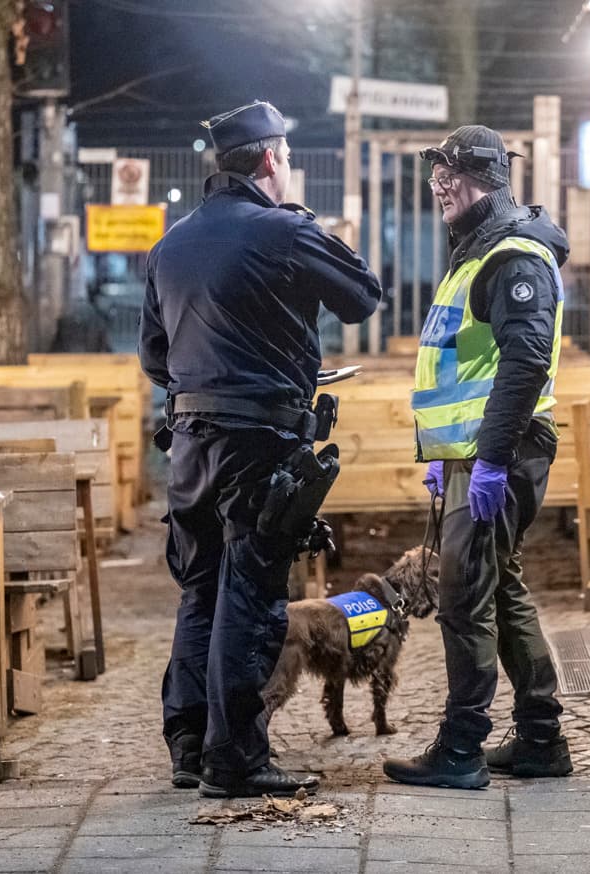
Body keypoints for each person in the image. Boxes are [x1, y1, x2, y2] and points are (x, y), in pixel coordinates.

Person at [140, 100, 382, 798]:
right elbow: (363, 297)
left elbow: (155, 357)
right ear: (272, 159)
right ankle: (237, 760)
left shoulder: (171, 244)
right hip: (261, 444)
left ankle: (189, 747)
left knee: (202, 589)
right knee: (250, 594)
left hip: (188, 444)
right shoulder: (284, 231)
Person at [382, 125, 573, 789]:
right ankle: (541, 740)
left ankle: (461, 748)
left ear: (489, 179)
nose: (439, 183)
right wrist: (449, 453)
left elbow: (525, 361)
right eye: (435, 172)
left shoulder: (513, 256)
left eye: (453, 173)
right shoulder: (478, 250)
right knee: (503, 583)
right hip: (481, 454)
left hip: (504, 452)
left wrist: (487, 459)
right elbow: (468, 362)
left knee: (464, 600)